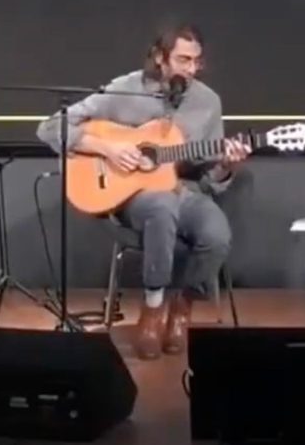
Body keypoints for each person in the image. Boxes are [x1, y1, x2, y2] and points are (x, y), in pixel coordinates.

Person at [37, 24, 248, 359]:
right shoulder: (124, 89)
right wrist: (106, 148)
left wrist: (229, 165)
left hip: (186, 190)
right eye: (182, 60)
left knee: (216, 234)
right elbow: (50, 127)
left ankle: (180, 308)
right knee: (161, 206)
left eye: (196, 61)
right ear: (160, 58)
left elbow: (209, 179)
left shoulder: (208, 102)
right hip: (132, 197)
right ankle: (152, 311)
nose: (191, 69)